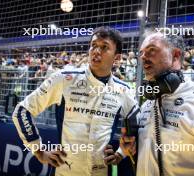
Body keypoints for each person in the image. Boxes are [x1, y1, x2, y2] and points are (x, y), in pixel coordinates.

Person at [12, 26, 139, 176]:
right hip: (65, 171)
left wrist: (120, 154)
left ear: (117, 58)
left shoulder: (123, 90)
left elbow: (136, 127)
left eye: (104, 47)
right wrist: (39, 151)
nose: (96, 51)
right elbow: (22, 111)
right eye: (93, 45)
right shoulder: (64, 78)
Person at [120, 31, 194, 176]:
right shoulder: (148, 104)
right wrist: (131, 149)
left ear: (176, 55)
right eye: (141, 52)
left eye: (152, 50)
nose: (143, 57)